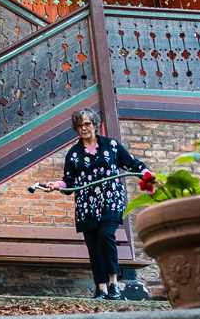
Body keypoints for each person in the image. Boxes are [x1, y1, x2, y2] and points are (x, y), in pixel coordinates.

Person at [52, 108, 151, 299]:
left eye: (87, 124)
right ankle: (101, 288)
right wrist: (57, 185)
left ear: (95, 124)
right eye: (80, 126)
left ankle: (114, 284)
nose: (84, 128)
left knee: (106, 236)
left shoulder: (111, 146)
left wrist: (146, 174)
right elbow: (69, 183)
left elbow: (133, 164)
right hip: (86, 206)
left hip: (110, 200)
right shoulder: (73, 154)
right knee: (93, 245)